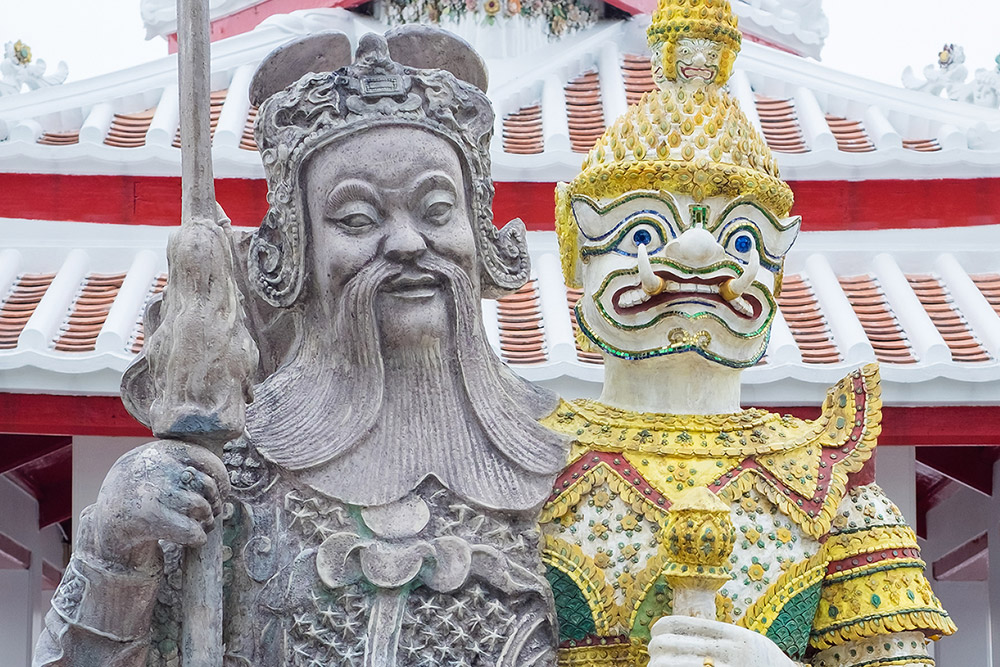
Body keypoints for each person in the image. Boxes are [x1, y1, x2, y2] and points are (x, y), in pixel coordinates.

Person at [35, 27, 567, 667]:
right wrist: (118, 547)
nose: (405, 243)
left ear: (478, 233)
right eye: (358, 219)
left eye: (435, 210)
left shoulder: (568, 475)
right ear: (296, 255)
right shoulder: (229, 480)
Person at [539, 1, 955, 665]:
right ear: (574, 249)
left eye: (741, 238)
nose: (702, 256)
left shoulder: (828, 484)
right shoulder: (519, 464)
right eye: (643, 231)